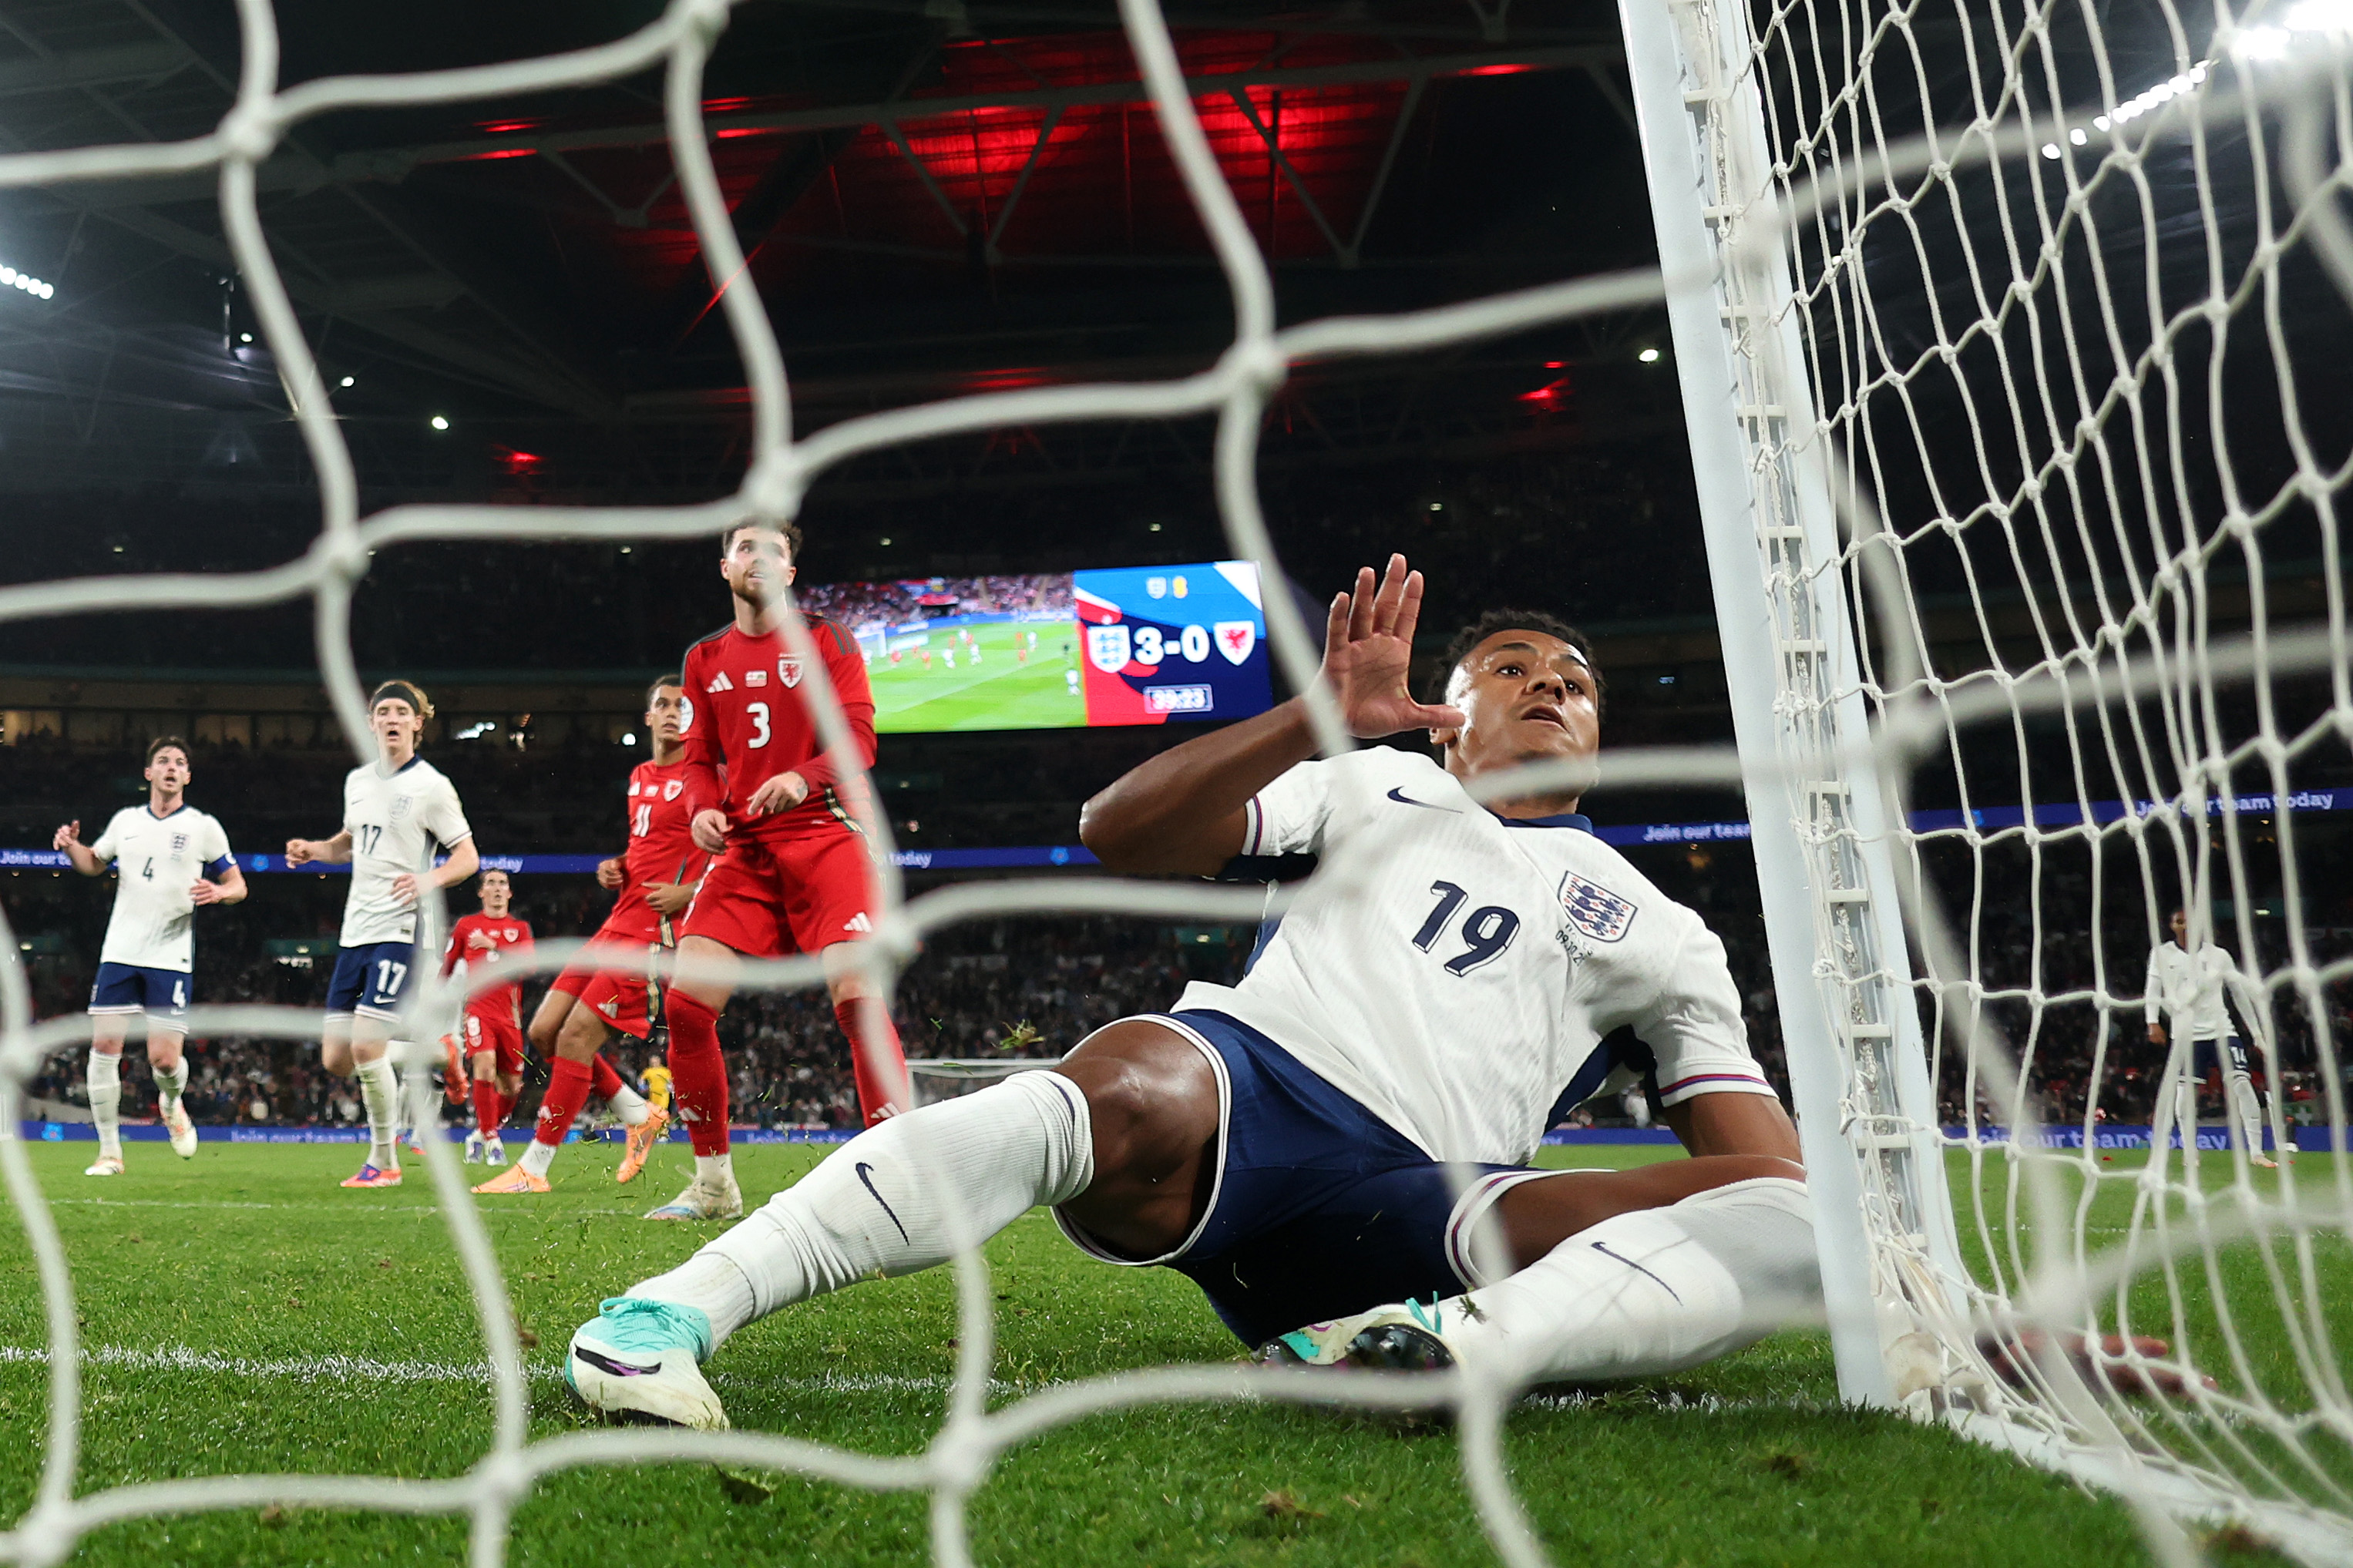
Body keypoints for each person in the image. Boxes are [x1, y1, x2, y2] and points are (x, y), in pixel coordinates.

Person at [563, 556, 1817, 1429]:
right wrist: (1314, 719)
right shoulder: (1378, 782)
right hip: (1245, 1103)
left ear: (1598, 729)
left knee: (1811, 1214)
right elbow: (1119, 829)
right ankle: (667, 1312)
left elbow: (1755, 1169)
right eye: (1511, 666)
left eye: (1574, 679)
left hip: (1434, 1218)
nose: (1548, 683)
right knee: (1123, 1083)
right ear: (1447, 717)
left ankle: (1431, 1352)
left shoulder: (1668, 936)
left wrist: (1840, 1226)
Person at [625, 522, 911, 1224]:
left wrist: (803, 776)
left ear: (790, 571)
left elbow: (860, 739)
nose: (758, 558)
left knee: (856, 995)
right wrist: (700, 808)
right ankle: (714, 1187)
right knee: (686, 1004)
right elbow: (697, 757)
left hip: (829, 831)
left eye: (773, 550)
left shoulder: (827, 640)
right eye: (745, 547)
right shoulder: (703, 657)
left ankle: (900, 1181)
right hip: (747, 846)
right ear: (724, 566)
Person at [474, 680, 691, 1194]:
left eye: (682, 707)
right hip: (616, 923)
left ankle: (534, 1168)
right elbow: (650, 848)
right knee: (544, 1031)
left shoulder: (705, 779)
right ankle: (639, 1115)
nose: (671, 713)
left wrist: (689, 892)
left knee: (573, 1038)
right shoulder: (640, 776)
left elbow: (739, 853)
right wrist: (618, 866)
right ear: (647, 717)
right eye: (662, 704)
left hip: (653, 935)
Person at [285, 682, 479, 1189]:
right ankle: (440, 1053)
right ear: (371, 722)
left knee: (367, 1047)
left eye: (401, 712)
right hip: (356, 930)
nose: (392, 719)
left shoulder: (432, 786)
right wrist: (315, 849)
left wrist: (428, 880)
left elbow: (467, 857)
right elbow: (350, 843)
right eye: (383, 711)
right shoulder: (358, 781)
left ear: (418, 722)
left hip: (402, 928)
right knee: (337, 1058)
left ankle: (383, 1162)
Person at [52, 737, 245, 1175]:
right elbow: (93, 863)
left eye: (179, 762)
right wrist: (71, 846)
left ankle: (172, 1103)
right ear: (149, 773)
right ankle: (109, 1153)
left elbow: (238, 885)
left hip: (170, 955)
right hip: (121, 950)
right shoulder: (126, 821)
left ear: (188, 776)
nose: (171, 767)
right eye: (163, 761)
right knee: (105, 1045)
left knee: (164, 1060)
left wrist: (219, 892)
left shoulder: (203, 827)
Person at [2146, 906, 2280, 1168]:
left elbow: (2238, 994)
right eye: (2179, 922)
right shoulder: (2161, 954)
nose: (2185, 926)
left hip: (2222, 1031)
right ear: (2172, 926)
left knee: (2243, 1085)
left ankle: (2256, 1153)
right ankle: (2190, 1152)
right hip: (2186, 1036)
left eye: (2189, 921)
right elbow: (2152, 990)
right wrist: (2152, 1022)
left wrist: (2257, 1034)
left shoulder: (2219, 955)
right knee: (2185, 1096)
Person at [442, 868, 533, 1166]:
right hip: (478, 1010)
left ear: (510, 892)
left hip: (510, 1017)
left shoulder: (520, 929)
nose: (497, 888)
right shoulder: (467, 926)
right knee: (485, 1066)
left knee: (511, 1087)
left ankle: (481, 1134)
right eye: (491, 883)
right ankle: (492, 1139)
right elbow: (447, 966)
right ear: (481, 892)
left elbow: (529, 968)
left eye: (502, 883)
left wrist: (494, 946)